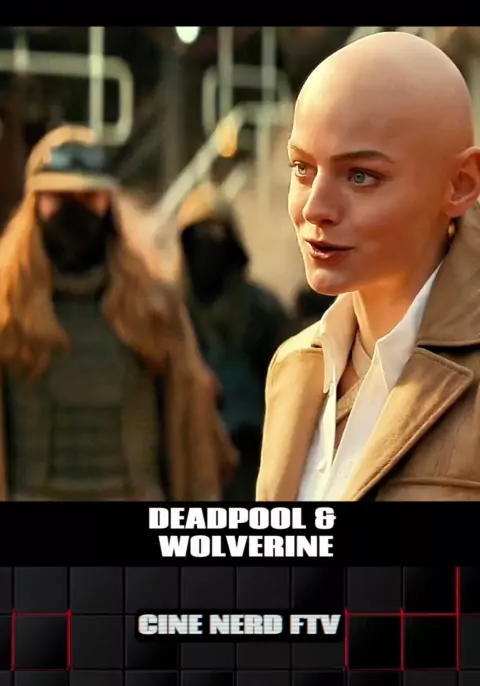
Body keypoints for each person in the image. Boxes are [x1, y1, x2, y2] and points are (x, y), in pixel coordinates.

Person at [256, 31, 480, 502]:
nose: (315, 208)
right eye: (302, 168)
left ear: (461, 184)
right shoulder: (295, 367)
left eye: (361, 176)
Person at [0, 125, 237, 501]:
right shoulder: (6, 306)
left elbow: (192, 430)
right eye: (58, 197)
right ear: (35, 205)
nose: (74, 209)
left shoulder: (154, 306)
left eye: (88, 196)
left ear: (108, 203)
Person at [177, 183, 291, 500]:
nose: (208, 244)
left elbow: (290, 384)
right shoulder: (169, 314)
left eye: (216, 233)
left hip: (251, 457)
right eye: (199, 234)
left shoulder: (261, 309)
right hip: (187, 455)